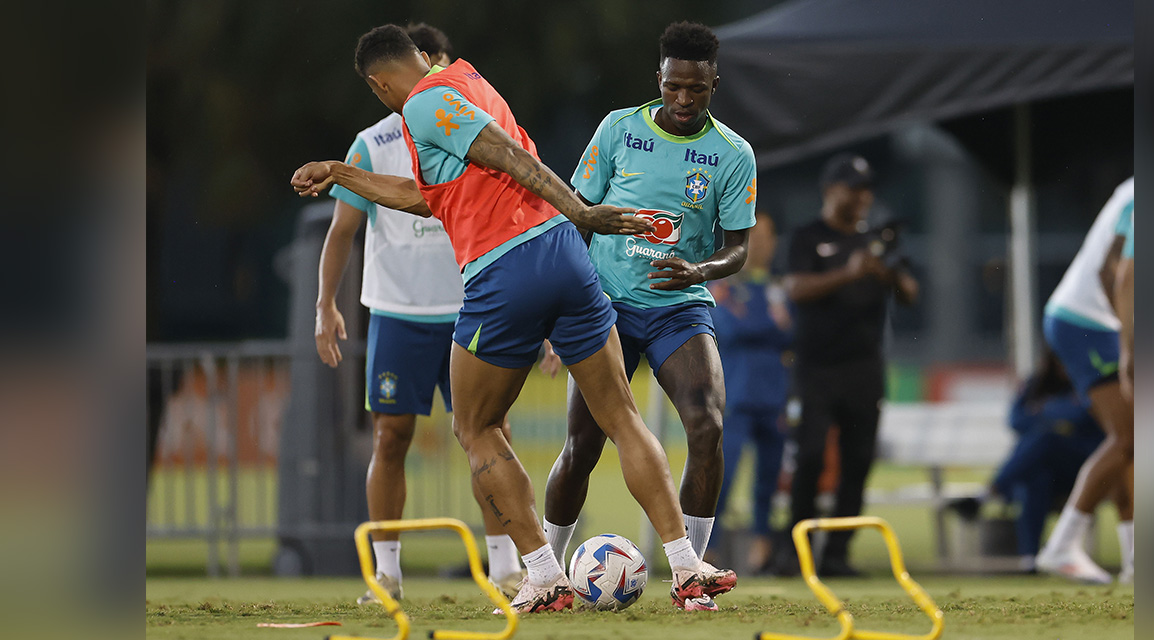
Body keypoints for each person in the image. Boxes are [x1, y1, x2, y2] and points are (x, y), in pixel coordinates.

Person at [291, 24, 733, 613]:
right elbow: (429, 197)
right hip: (564, 258)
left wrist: (582, 208)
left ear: (379, 83)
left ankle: (543, 574)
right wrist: (342, 172)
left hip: (505, 267)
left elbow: (504, 152)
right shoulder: (466, 78)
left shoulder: (421, 104)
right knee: (622, 416)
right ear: (423, 56)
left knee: (475, 427)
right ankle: (685, 567)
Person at [538, 22, 755, 601]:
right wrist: (563, 314)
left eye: (698, 90)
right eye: (674, 86)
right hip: (603, 306)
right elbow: (577, 218)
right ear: (658, 78)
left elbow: (738, 247)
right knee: (582, 447)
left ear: (714, 84)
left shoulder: (732, 154)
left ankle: (691, 576)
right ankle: (544, 575)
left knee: (707, 425)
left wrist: (701, 270)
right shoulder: (618, 129)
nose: (684, 100)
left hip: (678, 308)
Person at [313, 24, 526, 603]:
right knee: (390, 439)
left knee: (491, 434)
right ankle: (387, 574)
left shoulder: (469, 127)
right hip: (399, 313)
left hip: (471, 305)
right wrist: (325, 303)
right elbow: (342, 232)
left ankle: (507, 567)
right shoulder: (373, 143)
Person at [780, 154, 919, 576]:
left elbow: (912, 293)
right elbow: (795, 288)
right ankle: (796, 550)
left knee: (858, 463)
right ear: (831, 190)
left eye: (867, 189)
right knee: (810, 457)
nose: (863, 197)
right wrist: (848, 273)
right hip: (816, 370)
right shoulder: (808, 237)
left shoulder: (877, 241)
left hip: (864, 370)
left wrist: (887, 275)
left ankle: (838, 554)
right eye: (854, 188)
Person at [1035, 177, 1135, 584]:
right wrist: (1131, 346)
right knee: (1132, 437)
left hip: (1088, 320)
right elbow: (1121, 274)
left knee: (1130, 440)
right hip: (1087, 322)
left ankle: (1136, 559)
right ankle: (1061, 545)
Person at [955, 348, 1106, 572]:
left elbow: (1082, 416)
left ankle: (990, 492)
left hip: (1080, 470)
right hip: (1044, 469)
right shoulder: (1036, 384)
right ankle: (1031, 561)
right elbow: (1016, 420)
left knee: (1045, 439)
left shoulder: (1089, 383)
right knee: (1035, 479)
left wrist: (1044, 412)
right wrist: (1058, 419)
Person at [705, 211, 790, 571]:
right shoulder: (720, 287)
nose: (764, 244)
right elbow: (730, 328)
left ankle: (762, 549)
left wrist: (761, 324)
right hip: (735, 396)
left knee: (768, 480)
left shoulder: (778, 287)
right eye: (758, 236)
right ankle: (706, 548)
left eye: (770, 236)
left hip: (775, 396)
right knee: (722, 475)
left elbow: (793, 333)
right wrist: (771, 325)